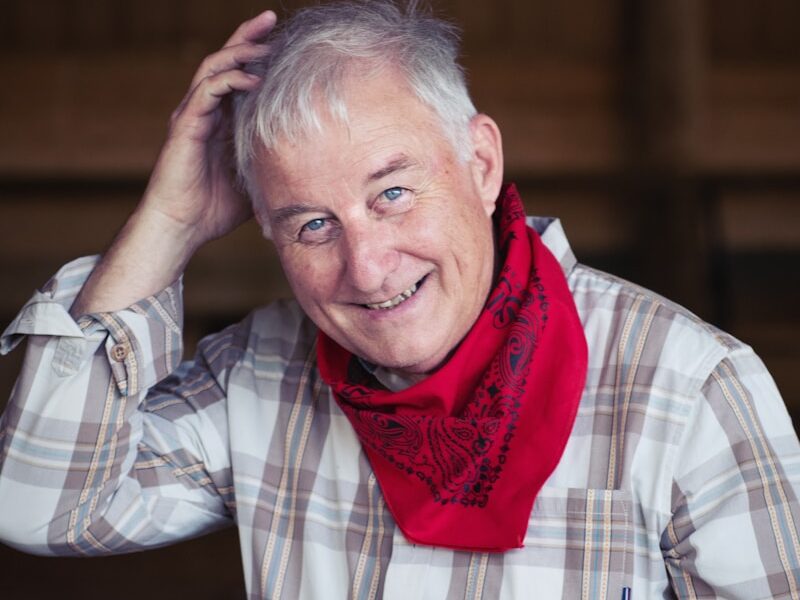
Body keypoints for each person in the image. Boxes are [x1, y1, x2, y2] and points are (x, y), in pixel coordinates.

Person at [1, 1, 798, 598]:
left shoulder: (692, 388)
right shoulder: (256, 375)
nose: (370, 267)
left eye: (392, 194)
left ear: (480, 163)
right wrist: (167, 223)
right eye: (313, 225)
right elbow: (39, 506)